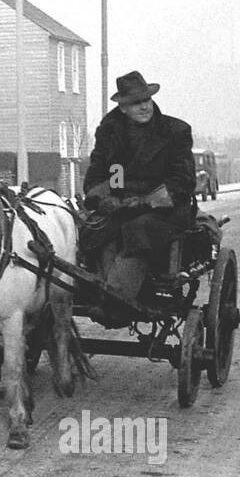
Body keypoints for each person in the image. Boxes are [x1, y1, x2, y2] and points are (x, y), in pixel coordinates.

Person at [81, 70, 196, 311]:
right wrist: (104, 199)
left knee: (137, 228)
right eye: (136, 103)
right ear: (123, 108)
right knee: (96, 227)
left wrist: (144, 202)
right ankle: (102, 289)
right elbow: (97, 175)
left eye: (146, 100)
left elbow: (182, 182)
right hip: (121, 207)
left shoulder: (175, 131)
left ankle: (117, 299)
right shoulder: (110, 131)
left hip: (166, 209)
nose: (144, 107)